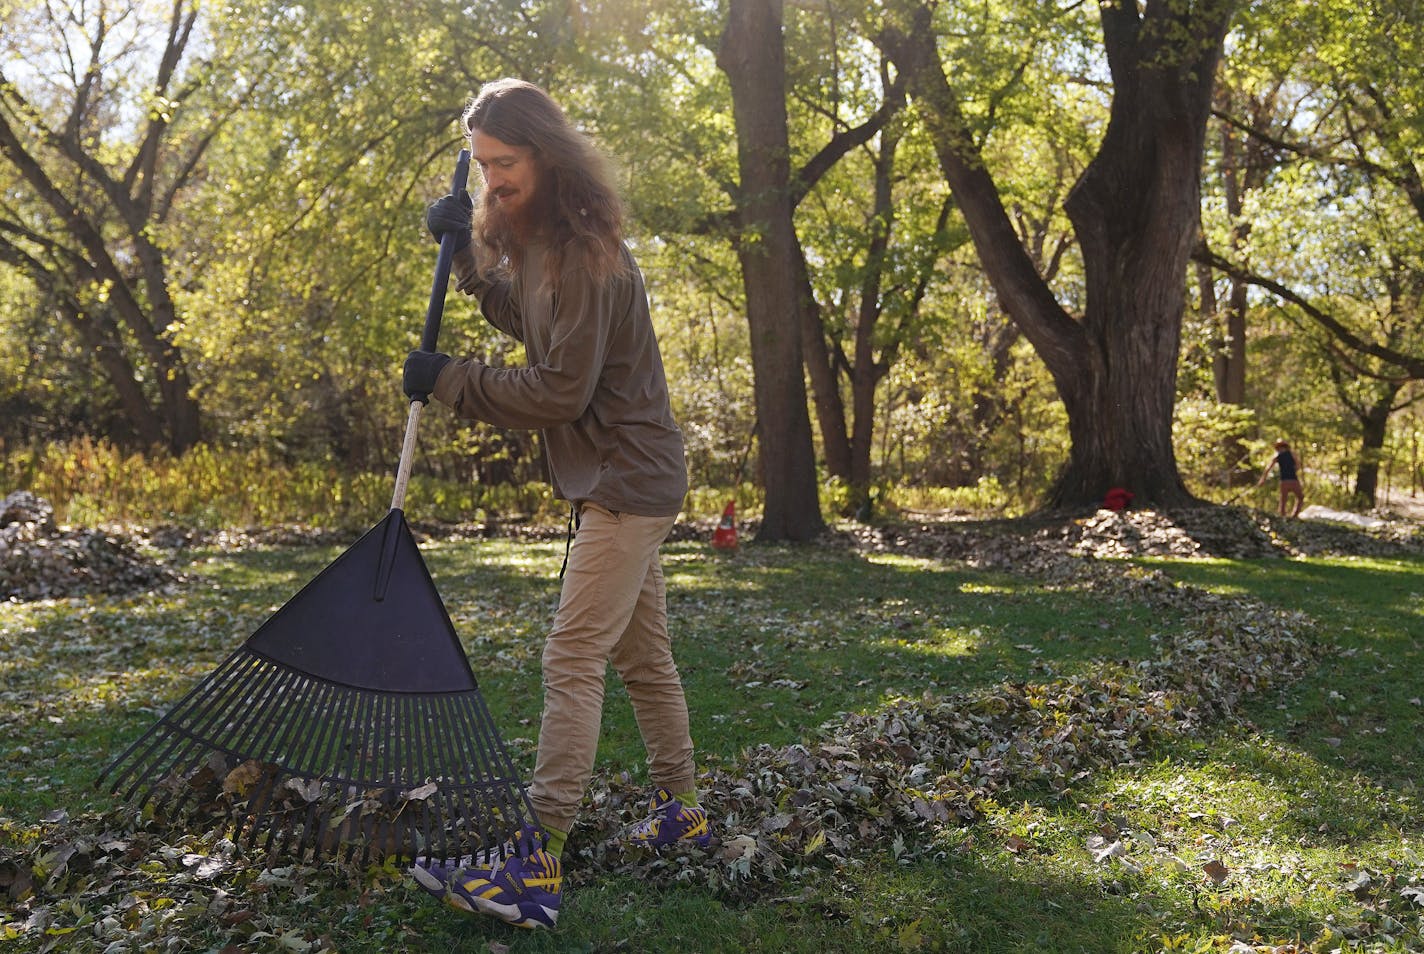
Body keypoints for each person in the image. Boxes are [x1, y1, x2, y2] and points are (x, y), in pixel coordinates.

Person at [402, 78, 708, 930]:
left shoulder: (587, 252)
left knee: (571, 657)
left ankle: (535, 866)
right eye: (482, 165)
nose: (493, 179)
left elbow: (560, 388)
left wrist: (452, 382)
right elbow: (522, 318)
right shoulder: (537, 247)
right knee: (644, 663)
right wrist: (464, 252)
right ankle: (686, 820)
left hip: (625, 478)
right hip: (615, 477)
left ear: (547, 155)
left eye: (506, 164)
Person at [1256, 438, 1305, 517]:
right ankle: (1294, 516)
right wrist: (1293, 469)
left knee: (1283, 501)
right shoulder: (1291, 454)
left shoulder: (1277, 456)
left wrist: (1262, 479)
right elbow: (1298, 465)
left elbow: (1268, 468)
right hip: (1293, 480)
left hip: (1284, 481)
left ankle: (1284, 517)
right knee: (1299, 497)